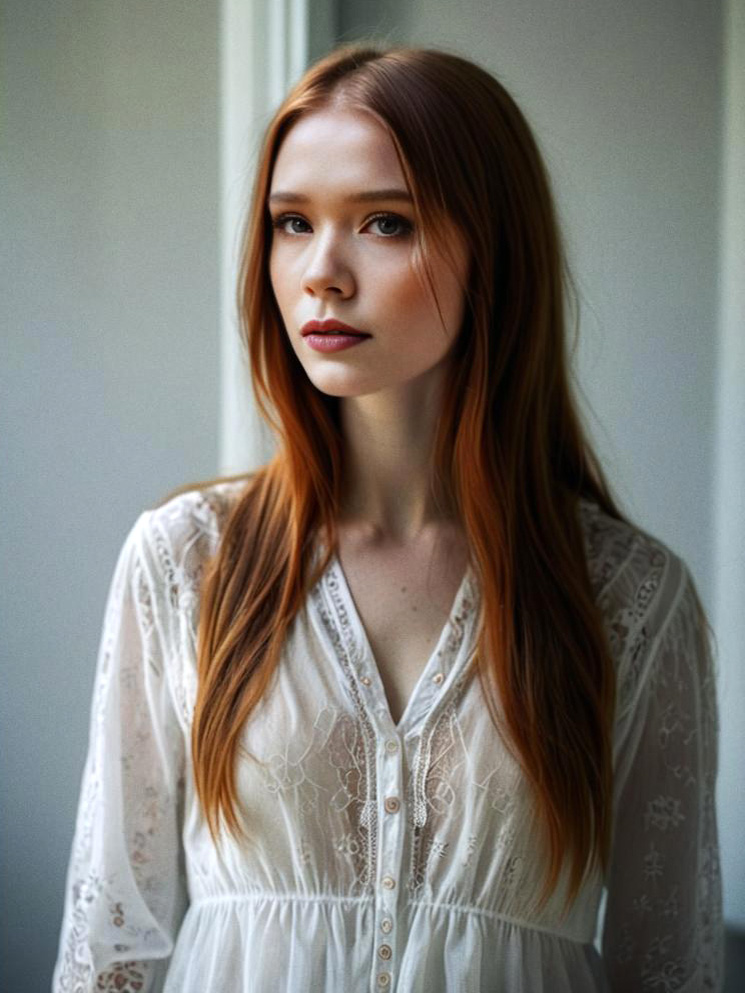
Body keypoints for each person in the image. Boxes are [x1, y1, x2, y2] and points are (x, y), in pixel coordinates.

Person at [52, 44, 723, 992]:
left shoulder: (629, 598)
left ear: (491, 248)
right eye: (292, 222)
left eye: (383, 221)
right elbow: (108, 952)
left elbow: (671, 969)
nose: (321, 271)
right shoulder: (185, 562)